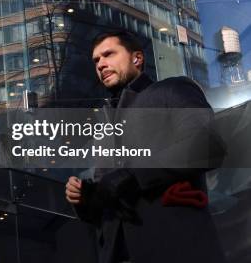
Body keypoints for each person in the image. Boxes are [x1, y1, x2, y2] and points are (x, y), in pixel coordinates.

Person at [65, 31, 226, 263]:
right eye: (96, 60)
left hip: (177, 247)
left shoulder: (173, 89)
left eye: (108, 54)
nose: (101, 64)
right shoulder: (103, 129)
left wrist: (132, 174)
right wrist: (84, 199)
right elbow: (106, 205)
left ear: (137, 58)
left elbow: (207, 145)